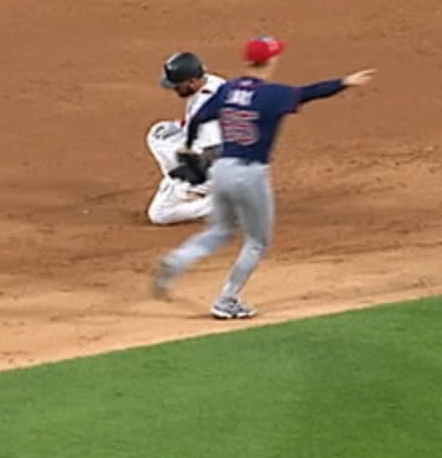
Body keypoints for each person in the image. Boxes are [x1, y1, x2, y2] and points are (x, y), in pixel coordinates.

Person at [152, 36, 375, 320]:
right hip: (250, 174)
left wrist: (187, 146)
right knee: (257, 241)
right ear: (270, 61)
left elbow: (199, 118)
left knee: (219, 231)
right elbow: (311, 92)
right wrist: (345, 82)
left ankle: (177, 260)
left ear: (247, 60)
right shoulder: (273, 95)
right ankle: (227, 300)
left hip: (222, 171)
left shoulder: (227, 89)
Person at [144, 51, 225, 225]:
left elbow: (215, 152)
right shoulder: (213, 82)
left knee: (159, 214)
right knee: (159, 133)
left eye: (177, 85)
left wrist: (186, 172)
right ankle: (177, 184)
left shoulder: (204, 109)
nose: (174, 89)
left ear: (192, 81)